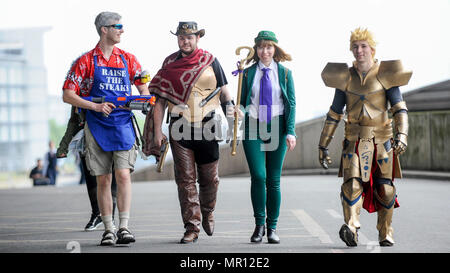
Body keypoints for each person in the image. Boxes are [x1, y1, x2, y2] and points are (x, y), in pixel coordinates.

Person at [62, 11, 150, 246]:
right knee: (103, 179)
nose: (122, 30)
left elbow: (144, 88)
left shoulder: (129, 59)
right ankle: (108, 229)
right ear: (104, 29)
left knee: (123, 175)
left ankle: (124, 227)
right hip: (97, 125)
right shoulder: (87, 61)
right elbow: (68, 95)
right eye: (117, 26)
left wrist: (144, 100)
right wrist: (95, 106)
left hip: (123, 125)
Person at [318, 27, 412, 247]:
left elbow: (400, 109)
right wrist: (322, 145)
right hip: (353, 139)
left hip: (382, 140)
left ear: (372, 49)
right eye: (355, 47)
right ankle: (351, 226)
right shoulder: (344, 78)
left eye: (363, 46)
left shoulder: (386, 73)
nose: (359, 51)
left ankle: (385, 231)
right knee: (351, 186)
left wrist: (403, 135)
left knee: (385, 188)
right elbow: (334, 113)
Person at [143, 21, 235, 244]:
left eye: (190, 37)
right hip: (179, 127)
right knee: (185, 180)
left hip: (208, 126)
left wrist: (232, 116)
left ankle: (208, 211)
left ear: (197, 38)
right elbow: (159, 101)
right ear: (177, 39)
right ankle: (191, 226)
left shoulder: (210, 60)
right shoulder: (169, 64)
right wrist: (157, 132)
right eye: (181, 37)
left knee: (210, 179)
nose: (185, 41)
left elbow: (224, 92)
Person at [238, 31, 296, 244]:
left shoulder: (286, 74)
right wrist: (237, 111)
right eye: (261, 47)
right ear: (256, 50)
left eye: (269, 47)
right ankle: (259, 225)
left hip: (277, 126)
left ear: (275, 49)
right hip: (253, 126)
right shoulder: (246, 73)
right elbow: (242, 102)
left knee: (273, 180)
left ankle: (272, 227)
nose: (265, 51)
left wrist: (290, 131)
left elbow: (291, 103)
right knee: (258, 176)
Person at [56, 106, 118, 231]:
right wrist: (64, 145)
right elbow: (74, 120)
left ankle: (110, 216)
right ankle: (96, 213)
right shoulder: (81, 90)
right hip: (88, 138)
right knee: (91, 179)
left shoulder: (113, 87)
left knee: (113, 179)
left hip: (112, 135)